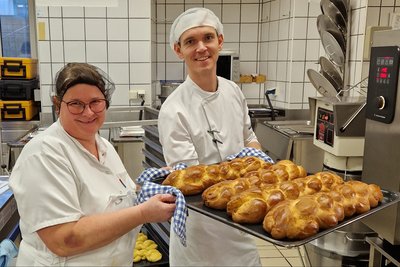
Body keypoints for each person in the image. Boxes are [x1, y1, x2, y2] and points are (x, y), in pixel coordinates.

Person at [9, 63, 177, 266]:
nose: (88, 113)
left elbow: (116, 199)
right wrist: (143, 213)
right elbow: (64, 239)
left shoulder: (102, 145)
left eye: (95, 102)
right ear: (57, 104)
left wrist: (155, 184)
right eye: (76, 104)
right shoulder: (44, 154)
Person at [158, 7, 269, 267]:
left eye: (207, 38)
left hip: (242, 222)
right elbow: (191, 181)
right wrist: (245, 171)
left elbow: (250, 138)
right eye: (190, 42)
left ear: (220, 41)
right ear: (178, 50)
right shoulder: (174, 109)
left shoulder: (232, 91)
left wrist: (255, 157)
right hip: (202, 232)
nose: (201, 48)